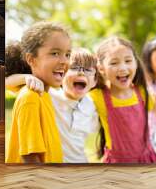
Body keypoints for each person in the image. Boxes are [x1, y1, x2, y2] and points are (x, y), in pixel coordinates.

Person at [5, 48, 100, 163]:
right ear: (61, 75)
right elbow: (6, 83)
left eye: (88, 70)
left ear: (94, 81)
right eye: (74, 68)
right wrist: (26, 78)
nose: (81, 72)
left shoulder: (92, 104)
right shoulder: (49, 93)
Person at [89, 36, 156, 163]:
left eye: (128, 61)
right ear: (101, 68)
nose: (122, 67)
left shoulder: (142, 92)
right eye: (114, 63)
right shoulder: (97, 96)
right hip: (117, 164)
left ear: (136, 63)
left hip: (146, 160)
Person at [5, 21, 71, 163]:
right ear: (31, 59)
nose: (64, 61)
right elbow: (30, 157)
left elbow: (8, 83)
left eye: (67, 54)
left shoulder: (43, 94)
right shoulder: (30, 97)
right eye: (55, 53)